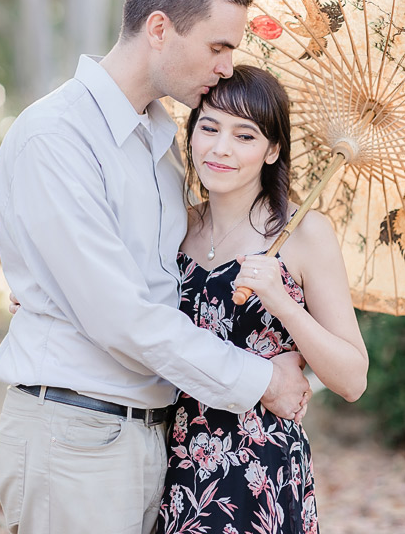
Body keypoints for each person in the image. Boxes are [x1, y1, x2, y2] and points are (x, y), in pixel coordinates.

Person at [0, 0, 312, 534]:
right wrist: (261, 378)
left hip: (156, 438)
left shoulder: (159, 144)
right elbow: (123, 318)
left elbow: (165, 284)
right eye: (219, 46)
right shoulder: (57, 138)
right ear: (160, 28)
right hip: (75, 436)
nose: (225, 67)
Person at [157, 65, 367, 534]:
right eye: (208, 127)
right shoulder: (174, 225)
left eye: (244, 135)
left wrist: (284, 303)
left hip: (259, 471)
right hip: (169, 460)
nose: (221, 148)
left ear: (273, 149)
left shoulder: (304, 233)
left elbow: (353, 378)